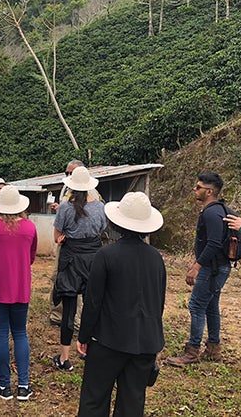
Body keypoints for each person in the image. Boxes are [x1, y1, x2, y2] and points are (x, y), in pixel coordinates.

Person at [77, 192, 166, 417]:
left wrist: (84, 335)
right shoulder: (156, 258)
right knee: (132, 403)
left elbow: (93, 301)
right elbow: (158, 302)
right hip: (145, 342)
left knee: (94, 399)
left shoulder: (106, 255)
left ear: (116, 222)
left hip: (108, 339)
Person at [0, 185, 37, 401]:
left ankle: (4, 386)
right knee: (20, 332)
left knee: (0, 333)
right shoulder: (30, 228)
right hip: (20, 284)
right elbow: (31, 257)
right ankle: (23, 385)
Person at [167, 172, 231, 366]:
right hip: (218, 267)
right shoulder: (220, 210)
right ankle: (213, 348)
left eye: (198, 187)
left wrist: (197, 266)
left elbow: (214, 243)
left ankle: (192, 351)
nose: (194, 190)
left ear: (209, 191)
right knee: (211, 306)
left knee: (196, 306)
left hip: (212, 269)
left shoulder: (211, 213)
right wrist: (197, 260)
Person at [52, 166, 106, 371]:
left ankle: (64, 358)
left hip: (71, 259)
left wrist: (64, 237)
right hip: (94, 258)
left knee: (69, 310)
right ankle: (88, 350)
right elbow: (101, 230)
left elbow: (57, 236)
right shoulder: (100, 207)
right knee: (93, 306)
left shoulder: (65, 207)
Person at [49, 160, 99, 327]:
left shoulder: (92, 194)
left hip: (77, 247)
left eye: (72, 173)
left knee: (76, 284)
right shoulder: (66, 189)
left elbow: (90, 219)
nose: (69, 175)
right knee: (60, 278)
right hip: (72, 245)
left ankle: (74, 320)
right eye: (67, 173)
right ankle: (58, 315)